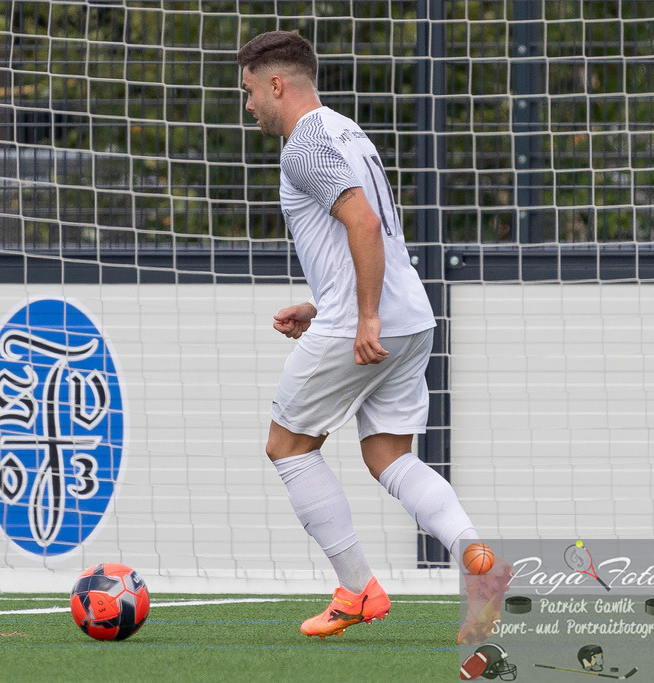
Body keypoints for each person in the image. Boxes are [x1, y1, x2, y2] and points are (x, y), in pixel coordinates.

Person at [236, 30, 503, 640]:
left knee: (287, 445)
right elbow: (364, 230)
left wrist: (362, 316)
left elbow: (359, 218)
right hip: (413, 317)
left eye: (249, 91)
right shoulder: (346, 128)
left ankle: (357, 589)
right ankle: (477, 559)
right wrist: (326, 301)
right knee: (388, 456)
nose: (248, 105)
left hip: (373, 322)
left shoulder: (303, 144)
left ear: (277, 84)